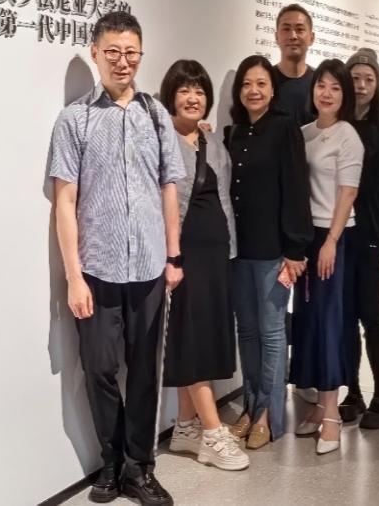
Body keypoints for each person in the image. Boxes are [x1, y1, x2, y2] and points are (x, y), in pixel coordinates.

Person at [48, 11, 184, 505]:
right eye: (113, 53)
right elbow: (65, 201)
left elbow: (169, 187)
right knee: (100, 368)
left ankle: (139, 468)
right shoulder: (74, 119)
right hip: (97, 269)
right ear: (95, 54)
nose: (122, 62)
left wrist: (173, 256)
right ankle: (110, 464)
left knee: (145, 372)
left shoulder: (156, 114)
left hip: (149, 267)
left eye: (131, 53)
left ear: (140, 55)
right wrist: (73, 277)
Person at [158, 59, 249, 472]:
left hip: (217, 255)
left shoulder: (213, 142)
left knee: (202, 334)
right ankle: (213, 433)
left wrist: (229, 249)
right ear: (170, 96)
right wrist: (169, 257)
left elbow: (224, 197)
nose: (193, 98)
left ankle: (185, 427)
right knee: (192, 338)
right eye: (184, 90)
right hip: (184, 255)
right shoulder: (160, 139)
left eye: (199, 91)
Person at [225, 55, 311, 450]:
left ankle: (269, 416)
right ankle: (250, 405)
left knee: (273, 332)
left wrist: (295, 249)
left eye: (261, 83)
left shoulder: (284, 128)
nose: (253, 90)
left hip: (274, 250)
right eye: (246, 84)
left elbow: (296, 188)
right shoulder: (233, 133)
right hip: (237, 249)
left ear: (272, 89)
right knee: (246, 331)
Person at [290, 59, 364, 455]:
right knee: (309, 322)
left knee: (331, 322)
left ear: (344, 95)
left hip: (335, 236)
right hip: (307, 236)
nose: (327, 93)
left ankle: (333, 414)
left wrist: (331, 241)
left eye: (336, 87)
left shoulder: (347, 135)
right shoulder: (303, 133)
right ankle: (320, 405)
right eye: (322, 85)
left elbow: (348, 192)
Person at [336, 48, 379, 429]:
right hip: (338, 234)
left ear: (377, 86)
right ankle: (353, 392)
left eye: (368, 79)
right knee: (344, 318)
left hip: (372, 234)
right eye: (355, 78)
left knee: (370, 317)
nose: (361, 85)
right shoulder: (333, 126)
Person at [273, 3, 317, 126]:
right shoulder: (265, 81)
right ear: (276, 37)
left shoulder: (320, 83)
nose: (293, 36)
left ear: (311, 38)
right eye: (286, 29)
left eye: (300, 29)